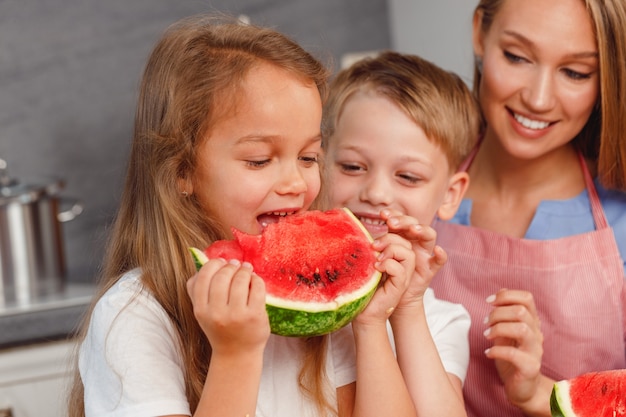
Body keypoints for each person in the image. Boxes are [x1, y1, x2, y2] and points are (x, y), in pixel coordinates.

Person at [66, 14, 423, 417]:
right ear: (182, 171)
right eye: (259, 160)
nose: (295, 182)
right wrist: (235, 355)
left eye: (309, 157)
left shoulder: (320, 302)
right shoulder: (134, 315)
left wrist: (371, 323)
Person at [429, 0, 626, 416]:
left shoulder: (620, 216)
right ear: (480, 32)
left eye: (575, 72)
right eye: (517, 57)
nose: (537, 99)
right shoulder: (408, 183)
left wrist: (538, 394)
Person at [322, 50, 482, 417]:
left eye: (407, 176)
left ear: (450, 194)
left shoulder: (441, 319)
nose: (376, 192)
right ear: (320, 159)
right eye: (352, 166)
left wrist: (407, 308)